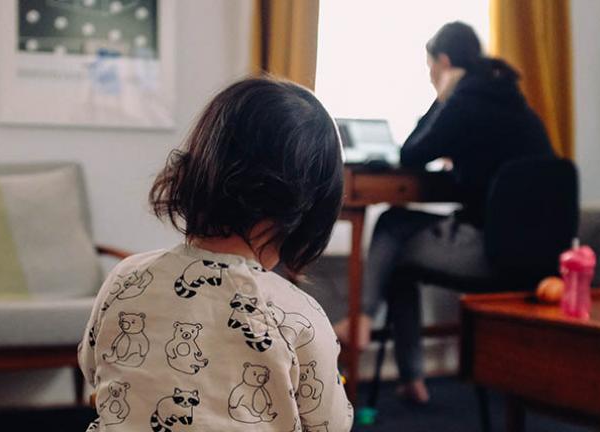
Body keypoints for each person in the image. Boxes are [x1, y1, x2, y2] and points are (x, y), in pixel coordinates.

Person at [78, 77, 352, 431]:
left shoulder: (127, 278)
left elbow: (92, 365)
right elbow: (330, 425)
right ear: (308, 211)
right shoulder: (299, 317)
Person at [332, 21, 556, 403]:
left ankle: (364, 321)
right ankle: (411, 379)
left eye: (430, 68)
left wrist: (441, 98)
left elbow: (412, 153)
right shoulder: (510, 97)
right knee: (399, 259)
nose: (431, 77)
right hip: (537, 255)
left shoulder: (467, 97)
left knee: (391, 223)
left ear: (445, 62)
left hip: (490, 253)